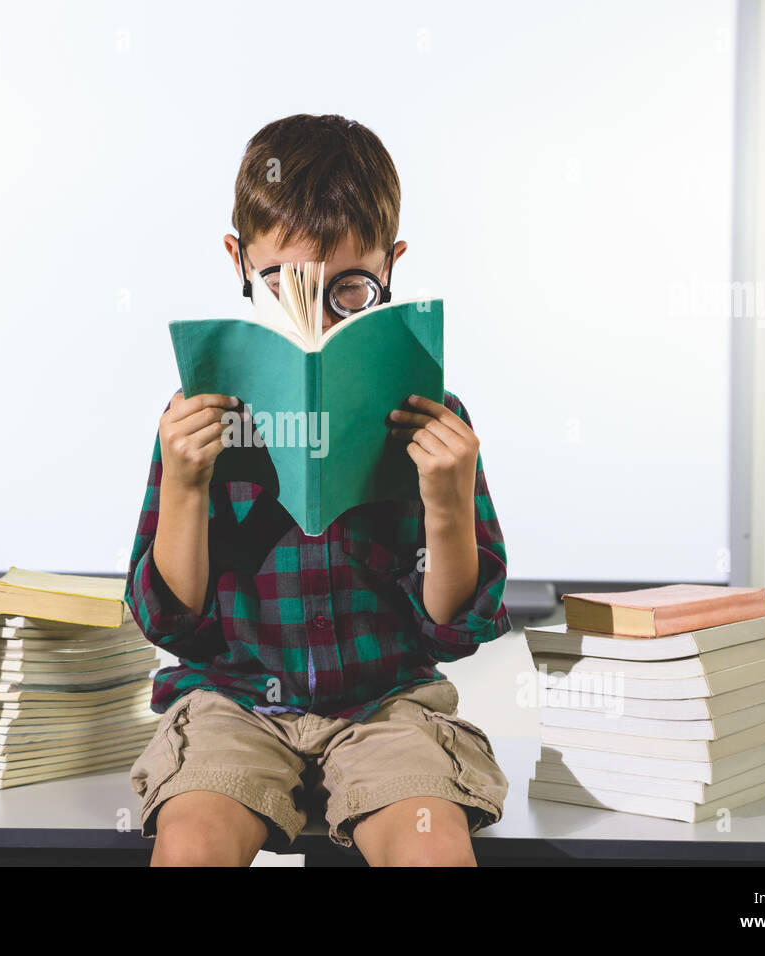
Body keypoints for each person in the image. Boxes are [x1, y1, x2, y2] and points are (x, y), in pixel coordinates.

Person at [124, 113, 511, 866]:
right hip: (235, 702)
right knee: (192, 842)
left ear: (391, 267)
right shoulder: (197, 416)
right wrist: (185, 484)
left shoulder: (431, 416)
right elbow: (171, 622)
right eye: (284, 285)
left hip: (386, 707)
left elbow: (455, 629)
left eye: (350, 292)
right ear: (239, 260)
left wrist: (446, 501)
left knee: (432, 848)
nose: (318, 318)